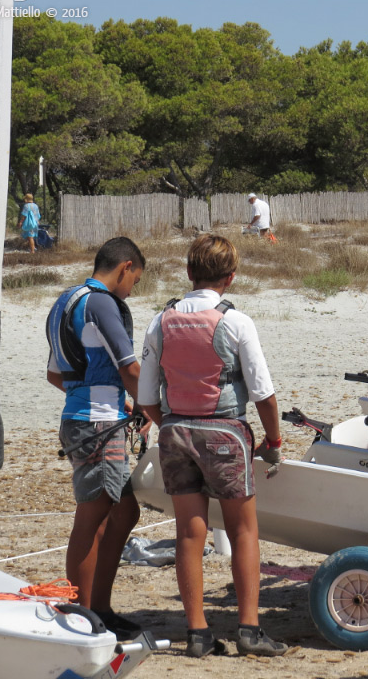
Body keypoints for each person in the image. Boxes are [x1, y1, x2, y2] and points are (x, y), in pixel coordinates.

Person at [137, 234, 287, 658]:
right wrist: (273, 442)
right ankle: (249, 629)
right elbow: (263, 394)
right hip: (224, 432)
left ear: (189, 273)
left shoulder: (159, 321)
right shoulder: (237, 322)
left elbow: (147, 397)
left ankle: (198, 633)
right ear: (231, 278)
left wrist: (173, 426)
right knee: (243, 530)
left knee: (189, 531)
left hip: (175, 431)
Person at [45, 236, 147, 641]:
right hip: (98, 425)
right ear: (125, 267)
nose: (131, 289)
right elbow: (131, 368)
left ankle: (99, 607)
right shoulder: (102, 302)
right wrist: (155, 408)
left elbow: (56, 374)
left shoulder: (64, 301)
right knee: (92, 518)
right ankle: (84, 616)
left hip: (86, 417)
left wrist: (99, 397)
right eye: (134, 281)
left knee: (124, 513)